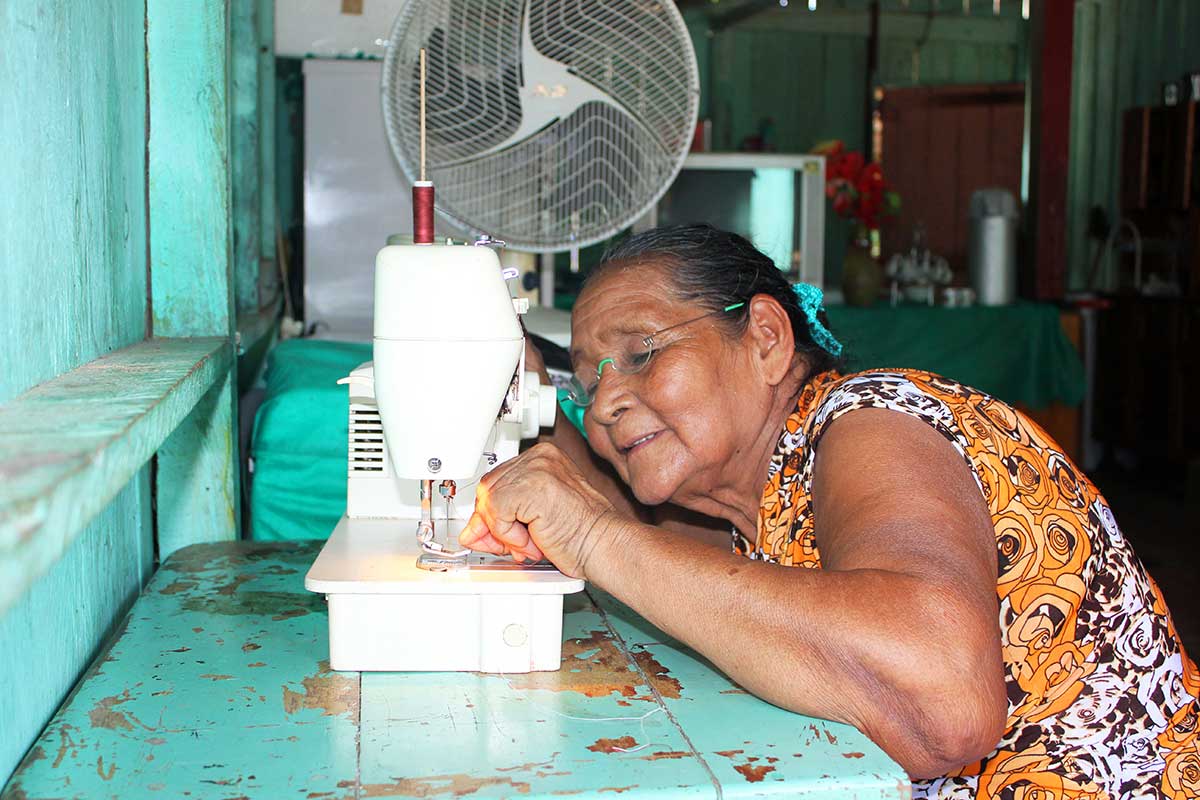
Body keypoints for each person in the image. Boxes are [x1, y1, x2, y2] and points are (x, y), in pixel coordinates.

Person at [459, 224, 1199, 799]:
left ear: (768, 340)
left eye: (643, 351)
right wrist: (527, 390)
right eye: (590, 387)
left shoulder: (872, 417)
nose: (608, 402)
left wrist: (591, 535)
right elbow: (630, 521)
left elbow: (945, 696)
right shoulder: (755, 510)